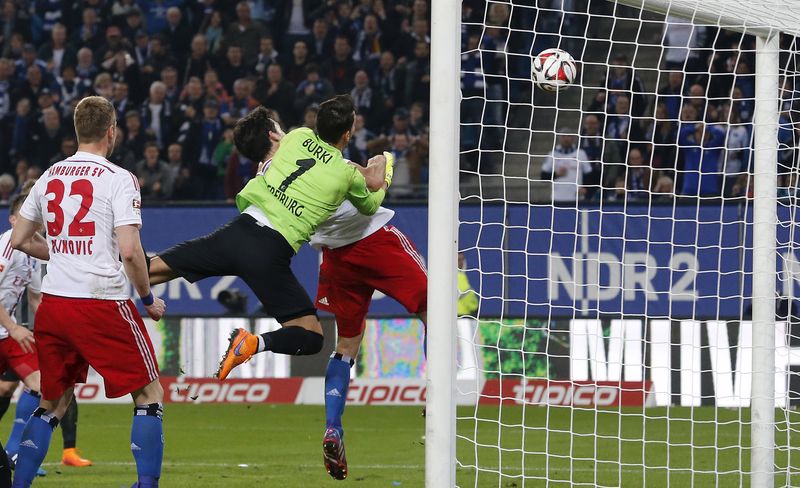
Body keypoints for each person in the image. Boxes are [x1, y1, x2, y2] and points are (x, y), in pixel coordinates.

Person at [232, 107, 425, 481]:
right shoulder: (310, 150)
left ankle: (333, 426)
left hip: (334, 258)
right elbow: (369, 185)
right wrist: (383, 161)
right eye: (278, 126)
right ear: (274, 136)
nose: (283, 129)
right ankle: (435, 394)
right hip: (374, 240)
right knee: (436, 311)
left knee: (346, 346)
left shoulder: (265, 177)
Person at [146, 96, 391, 382]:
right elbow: (370, 202)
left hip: (236, 232)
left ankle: (97, 271)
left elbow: (292, 142)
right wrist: (384, 173)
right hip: (269, 253)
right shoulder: (343, 171)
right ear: (347, 134)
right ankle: (253, 343)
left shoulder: (297, 138)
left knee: (150, 269)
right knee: (311, 338)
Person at [9, 96, 166, 488]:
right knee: (149, 392)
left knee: (52, 403)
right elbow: (130, 251)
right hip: (100, 303)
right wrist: (147, 299)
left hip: (54, 305)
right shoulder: (119, 178)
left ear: (77, 131)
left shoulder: (48, 176)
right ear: (111, 131)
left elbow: (19, 238)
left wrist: (62, 251)